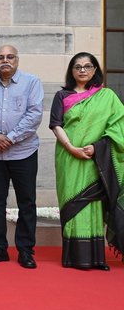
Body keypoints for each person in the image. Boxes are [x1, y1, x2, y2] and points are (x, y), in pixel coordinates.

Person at [49, 52, 124, 271]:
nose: (82, 70)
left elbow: (118, 126)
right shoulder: (62, 96)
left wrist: (97, 147)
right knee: (73, 201)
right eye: (77, 67)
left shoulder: (107, 96)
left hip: (96, 158)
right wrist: (71, 148)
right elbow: (56, 124)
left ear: (95, 70)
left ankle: (96, 258)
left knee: (94, 205)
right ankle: (74, 257)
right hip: (68, 157)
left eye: (87, 66)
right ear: (71, 71)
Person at [0, 44, 43, 269]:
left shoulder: (31, 83)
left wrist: (10, 138)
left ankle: (25, 250)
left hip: (24, 152)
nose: (5, 60)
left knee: (26, 202)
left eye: (10, 57)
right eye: (0, 57)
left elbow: (34, 115)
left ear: (17, 60)